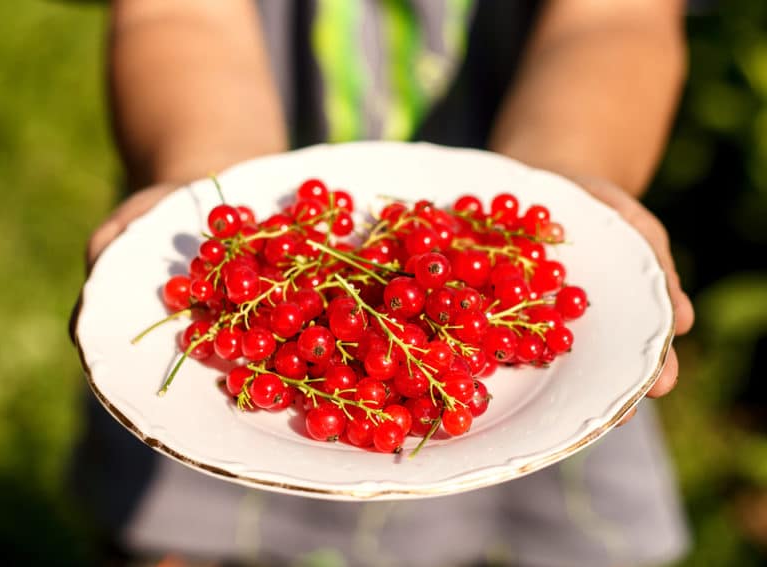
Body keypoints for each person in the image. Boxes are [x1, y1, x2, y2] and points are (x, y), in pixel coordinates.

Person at [75, 1, 696, 565]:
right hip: (204, 468)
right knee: (181, 533)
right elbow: (178, 16)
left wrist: (564, 182)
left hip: (544, 437)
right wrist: (203, 172)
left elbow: (616, 20)